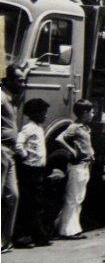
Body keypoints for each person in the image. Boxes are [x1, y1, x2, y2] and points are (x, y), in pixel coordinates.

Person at [13, 99, 51, 248]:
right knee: (30, 203)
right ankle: (27, 236)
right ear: (35, 114)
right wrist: (24, 155)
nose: (45, 116)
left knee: (35, 202)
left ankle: (35, 235)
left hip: (37, 169)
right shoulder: (28, 128)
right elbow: (19, 144)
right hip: (30, 169)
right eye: (43, 113)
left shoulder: (38, 128)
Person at [54, 99, 95, 239]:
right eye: (91, 111)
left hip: (84, 165)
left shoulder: (84, 127)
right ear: (84, 112)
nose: (93, 114)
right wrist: (72, 151)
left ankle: (72, 227)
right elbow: (60, 138)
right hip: (77, 166)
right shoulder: (75, 127)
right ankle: (66, 231)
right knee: (72, 198)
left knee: (78, 198)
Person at [1, 66, 25, 253]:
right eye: (19, 80)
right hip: (1, 151)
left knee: (12, 196)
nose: (23, 83)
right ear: (8, 80)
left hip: (10, 154)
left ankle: (5, 241)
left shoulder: (11, 98)